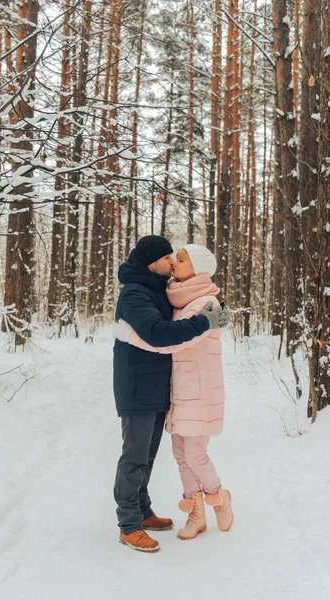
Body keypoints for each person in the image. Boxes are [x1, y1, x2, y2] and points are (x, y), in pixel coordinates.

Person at [113, 235, 229, 553]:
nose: (172, 262)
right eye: (168, 257)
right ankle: (128, 525)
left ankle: (143, 510)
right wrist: (204, 321)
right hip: (137, 385)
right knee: (134, 457)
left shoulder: (159, 290)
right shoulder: (136, 294)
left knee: (147, 455)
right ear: (153, 262)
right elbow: (160, 334)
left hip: (158, 384)